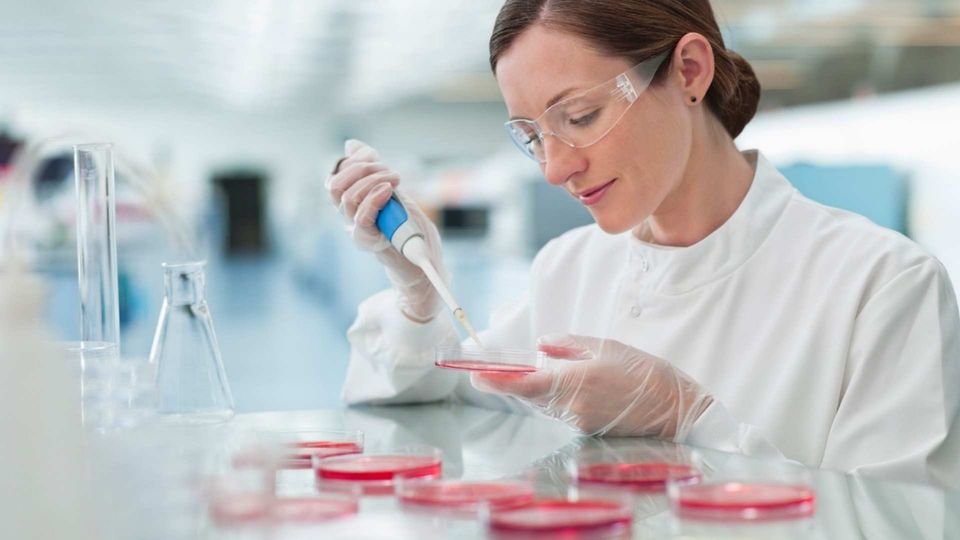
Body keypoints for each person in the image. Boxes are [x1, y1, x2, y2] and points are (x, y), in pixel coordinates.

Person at [326, 0, 960, 488]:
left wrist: (687, 419)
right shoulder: (570, 268)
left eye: (579, 117)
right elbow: (428, 398)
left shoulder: (883, 286)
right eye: (533, 135)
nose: (554, 168)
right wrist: (416, 294)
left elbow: (899, 522)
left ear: (689, 71)